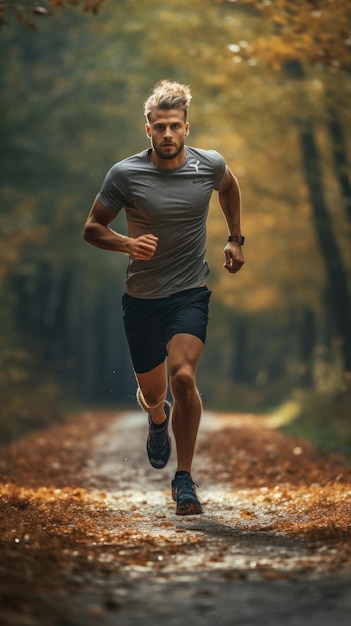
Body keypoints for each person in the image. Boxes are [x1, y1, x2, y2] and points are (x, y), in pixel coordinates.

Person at [83, 80, 244, 516]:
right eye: (160, 127)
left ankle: (184, 479)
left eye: (175, 126)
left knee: (185, 378)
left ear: (187, 128)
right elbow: (92, 228)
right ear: (148, 130)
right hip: (142, 298)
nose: (168, 134)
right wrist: (125, 244)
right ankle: (158, 420)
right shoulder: (125, 174)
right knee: (154, 394)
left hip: (190, 292)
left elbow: (229, 187)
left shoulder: (208, 165)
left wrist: (234, 239)